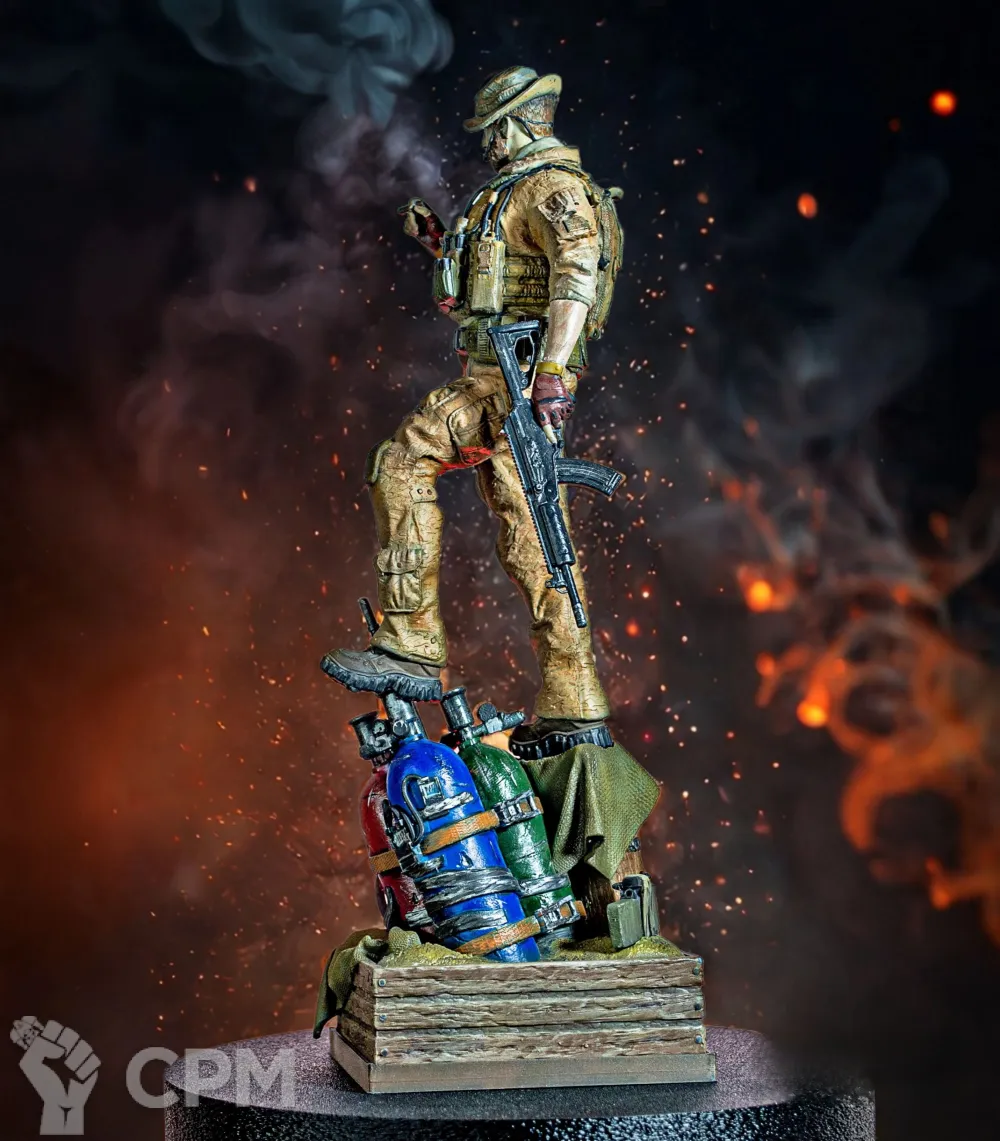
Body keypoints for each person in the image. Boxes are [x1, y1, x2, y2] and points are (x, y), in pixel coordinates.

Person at [322, 65, 621, 760]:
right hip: (501, 372)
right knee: (532, 538)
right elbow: (490, 280)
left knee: (403, 461)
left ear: (514, 125)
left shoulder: (550, 187)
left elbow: (576, 276)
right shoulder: (513, 190)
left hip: (513, 379)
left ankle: (411, 641)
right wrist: (437, 242)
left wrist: (552, 372)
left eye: (492, 130)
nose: (488, 143)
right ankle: (574, 702)